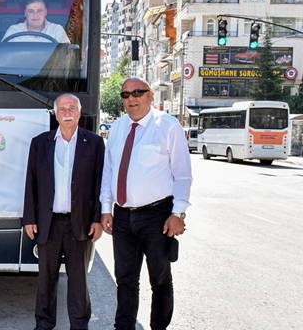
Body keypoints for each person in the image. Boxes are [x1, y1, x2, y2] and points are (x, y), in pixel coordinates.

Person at [100, 77, 192, 330]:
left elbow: (182, 174)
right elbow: (109, 171)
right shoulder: (117, 127)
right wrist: (106, 209)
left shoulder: (168, 127)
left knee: (159, 279)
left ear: (151, 95)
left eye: (137, 92)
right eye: (125, 95)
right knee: (125, 279)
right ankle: (124, 327)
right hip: (122, 217)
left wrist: (178, 213)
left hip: (157, 215)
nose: (131, 99)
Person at [23, 93, 105, 330]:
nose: (67, 112)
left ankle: (79, 325)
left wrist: (97, 219)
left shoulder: (95, 143)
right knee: (45, 280)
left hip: (80, 222)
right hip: (48, 222)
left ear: (79, 112)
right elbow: (31, 182)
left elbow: (101, 182)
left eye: (72, 108)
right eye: (62, 108)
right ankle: (44, 324)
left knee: (78, 280)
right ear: (55, 114)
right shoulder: (40, 143)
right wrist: (30, 218)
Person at [2, 0, 70, 43]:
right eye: (31, 11)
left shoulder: (56, 30)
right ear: (25, 13)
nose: (35, 15)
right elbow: (3, 55)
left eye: (39, 11)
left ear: (45, 12)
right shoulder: (13, 30)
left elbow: (68, 56)